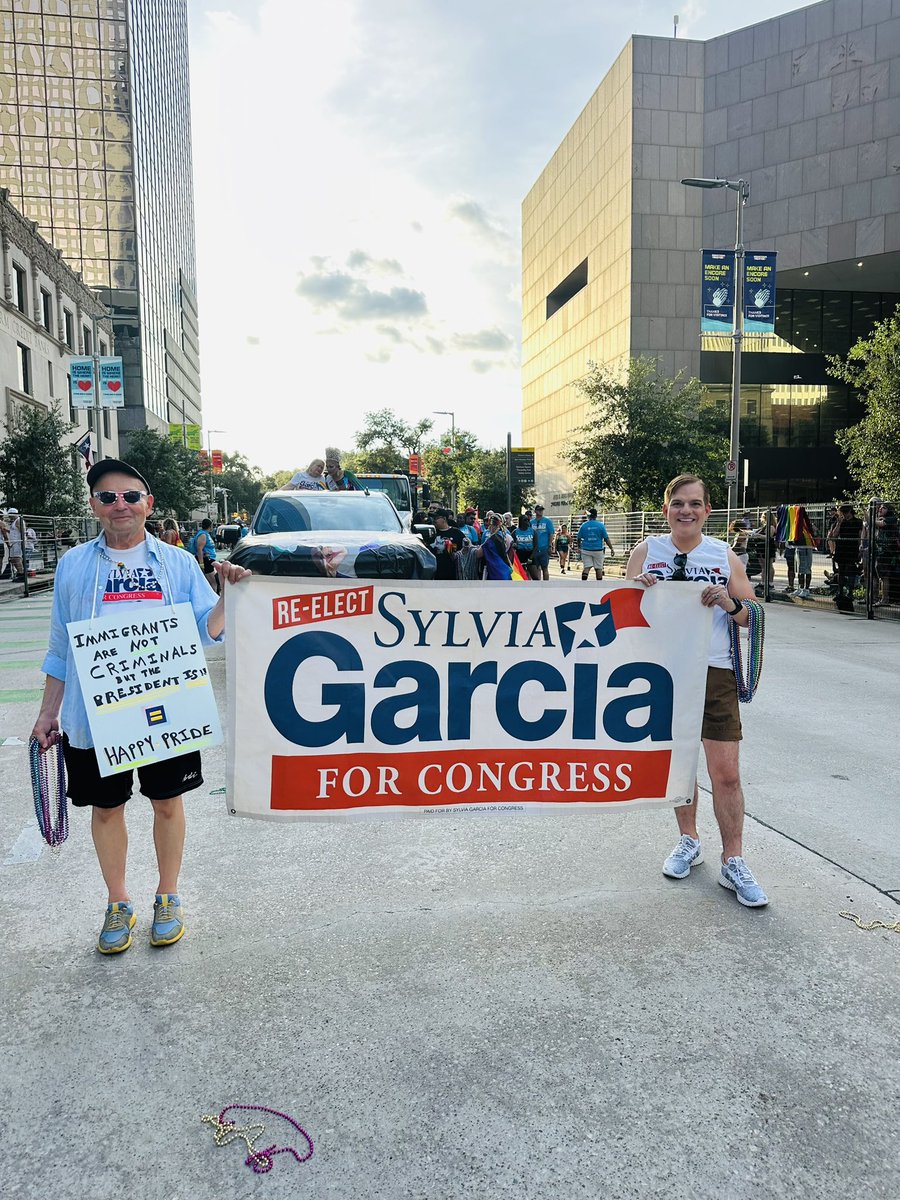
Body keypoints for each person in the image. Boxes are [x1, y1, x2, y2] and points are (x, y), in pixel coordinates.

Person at [31, 458, 251, 954]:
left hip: (166, 711)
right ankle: (118, 902)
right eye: (107, 497)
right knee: (106, 810)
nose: (120, 505)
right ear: (94, 506)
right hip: (96, 717)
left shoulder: (176, 564)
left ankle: (167, 896)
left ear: (148, 504)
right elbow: (61, 647)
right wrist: (49, 713)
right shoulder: (72, 566)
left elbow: (203, 632)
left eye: (130, 496)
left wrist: (228, 597)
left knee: (167, 803)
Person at [626, 473, 768, 908]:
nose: (686, 511)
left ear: (707, 511)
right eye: (678, 503)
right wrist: (637, 591)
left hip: (714, 673)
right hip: (662, 674)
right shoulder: (646, 552)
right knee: (681, 768)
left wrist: (729, 602)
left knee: (725, 772)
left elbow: (753, 616)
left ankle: (734, 861)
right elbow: (617, 613)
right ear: (666, 508)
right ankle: (688, 839)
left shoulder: (723, 556)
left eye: (695, 504)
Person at [833, 503, 863, 612]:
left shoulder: (858, 522)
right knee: (841, 571)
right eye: (842, 513)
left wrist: (860, 548)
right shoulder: (841, 522)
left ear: (850, 511)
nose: (844, 515)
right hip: (842, 548)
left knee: (850, 570)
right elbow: (834, 535)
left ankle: (850, 592)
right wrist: (839, 524)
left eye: (845, 512)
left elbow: (860, 536)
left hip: (852, 548)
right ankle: (840, 591)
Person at [576, 509, 615, 581]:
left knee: (587, 567)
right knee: (598, 568)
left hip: (586, 550)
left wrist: (579, 547)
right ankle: (599, 586)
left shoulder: (584, 525)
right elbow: (606, 538)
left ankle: (583, 584)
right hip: (598, 550)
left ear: (588, 516)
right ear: (596, 516)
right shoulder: (601, 525)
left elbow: (578, 538)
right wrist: (611, 548)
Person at [427, 508, 465, 580]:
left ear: (444, 519)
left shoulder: (456, 532)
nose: (434, 520)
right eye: (433, 518)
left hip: (452, 573)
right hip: (434, 573)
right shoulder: (431, 533)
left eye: (436, 518)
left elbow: (466, 549)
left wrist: (455, 553)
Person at [873, 502, 898, 607]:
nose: (880, 509)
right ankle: (881, 598)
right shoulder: (881, 518)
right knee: (881, 577)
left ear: (889, 509)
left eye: (883, 508)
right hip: (880, 552)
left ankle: (885, 599)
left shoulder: (891, 518)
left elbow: (878, 524)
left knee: (884, 577)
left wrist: (869, 517)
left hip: (887, 552)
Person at [477, 514, 515, 580]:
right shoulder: (509, 537)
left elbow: (478, 554)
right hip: (506, 572)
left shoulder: (490, 540)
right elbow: (511, 557)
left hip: (494, 573)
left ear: (491, 526)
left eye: (490, 525)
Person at [189, 518, 219, 594]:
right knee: (213, 582)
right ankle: (213, 599)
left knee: (213, 581)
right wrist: (201, 564)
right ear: (210, 526)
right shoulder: (203, 535)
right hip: (206, 560)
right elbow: (199, 549)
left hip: (209, 560)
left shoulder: (206, 534)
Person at [529, 504, 555, 581]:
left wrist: (550, 546)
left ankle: (546, 584)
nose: (541, 511)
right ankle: (538, 583)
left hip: (544, 548)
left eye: (542, 510)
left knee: (545, 568)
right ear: (535, 511)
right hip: (534, 549)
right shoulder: (531, 522)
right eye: (539, 510)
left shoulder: (547, 521)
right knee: (536, 568)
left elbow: (551, 534)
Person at [515, 513, 537, 578]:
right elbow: (511, 544)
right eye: (525, 520)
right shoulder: (515, 532)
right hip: (520, 554)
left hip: (530, 554)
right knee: (521, 576)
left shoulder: (533, 531)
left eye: (528, 520)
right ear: (521, 521)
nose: (527, 521)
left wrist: (531, 558)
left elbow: (536, 546)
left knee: (535, 577)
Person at [5, 507, 25, 580]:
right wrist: (7, 530)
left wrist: (22, 542)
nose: (9, 517)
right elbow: (14, 532)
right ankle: (19, 572)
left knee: (17, 558)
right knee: (13, 559)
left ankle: (21, 573)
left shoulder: (18, 520)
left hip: (18, 542)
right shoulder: (14, 521)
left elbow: (22, 531)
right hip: (14, 542)